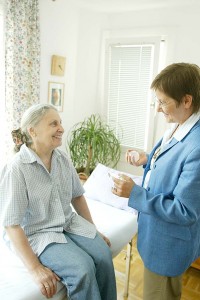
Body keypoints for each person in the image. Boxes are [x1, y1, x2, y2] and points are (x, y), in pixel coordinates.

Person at [0, 103, 117, 300]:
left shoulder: (62, 158)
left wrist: (93, 228)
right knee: (83, 269)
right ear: (32, 131)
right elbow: (11, 225)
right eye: (53, 124)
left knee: (104, 255)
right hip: (38, 233)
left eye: (60, 123)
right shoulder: (17, 169)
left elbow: (77, 196)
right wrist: (35, 268)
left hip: (67, 222)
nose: (61, 128)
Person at [112, 63, 200, 300]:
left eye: (163, 102)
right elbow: (170, 161)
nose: (158, 109)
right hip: (156, 236)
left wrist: (135, 194)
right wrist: (147, 159)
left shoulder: (197, 146)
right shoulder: (179, 126)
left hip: (168, 247)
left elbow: (184, 211)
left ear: (187, 100)